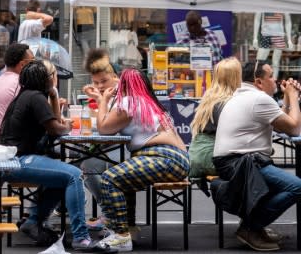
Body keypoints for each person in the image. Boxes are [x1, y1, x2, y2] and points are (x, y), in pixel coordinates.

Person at [0, 60, 110, 252]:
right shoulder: (36, 98)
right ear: (47, 79)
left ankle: (33, 221)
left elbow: (52, 126)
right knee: (74, 175)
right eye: (54, 75)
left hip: (11, 160)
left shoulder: (26, 95)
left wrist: (54, 95)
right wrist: (67, 125)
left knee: (62, 178)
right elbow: (56, 129)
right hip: (18, 162)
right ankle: (81, 238)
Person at [96, 69, 189, 252]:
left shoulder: (129, 102)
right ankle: (128, 229)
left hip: (162, 157)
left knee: (109, 179)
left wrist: (104, 100)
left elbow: (103, 129)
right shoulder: (150, 103)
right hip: (179, 159)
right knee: (122, 180)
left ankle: (121, 237)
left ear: (123, 85)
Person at [212, 61, 301, 252]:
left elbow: (279, 124)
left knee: (285, 185)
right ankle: (250, 228)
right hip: (242, 163)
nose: (275, 79)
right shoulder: (258, 98)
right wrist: (293, 97)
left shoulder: (243, 96)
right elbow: (294, 128)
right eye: (270, 76)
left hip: (233, 162)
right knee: (296, 187)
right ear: (259, 81)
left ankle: (255, 227)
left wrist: (285, 99)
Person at [80, 48, 121, 230]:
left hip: (125, 146)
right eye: (96, 82)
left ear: (115, 76)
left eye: (104, 81)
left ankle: (109, 213)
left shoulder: (122, 92)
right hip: (110, 143)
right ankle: (107, 212)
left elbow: (105, 126)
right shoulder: (108, 93)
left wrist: (100, 98)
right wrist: (97, 98)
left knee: (87, 165)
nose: (100, 86)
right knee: (79, 160)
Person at [188, 57, 241, 180]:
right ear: (235, 77)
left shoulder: (209, 98)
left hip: (196, 159)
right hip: (213, 160)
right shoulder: (228, 102)